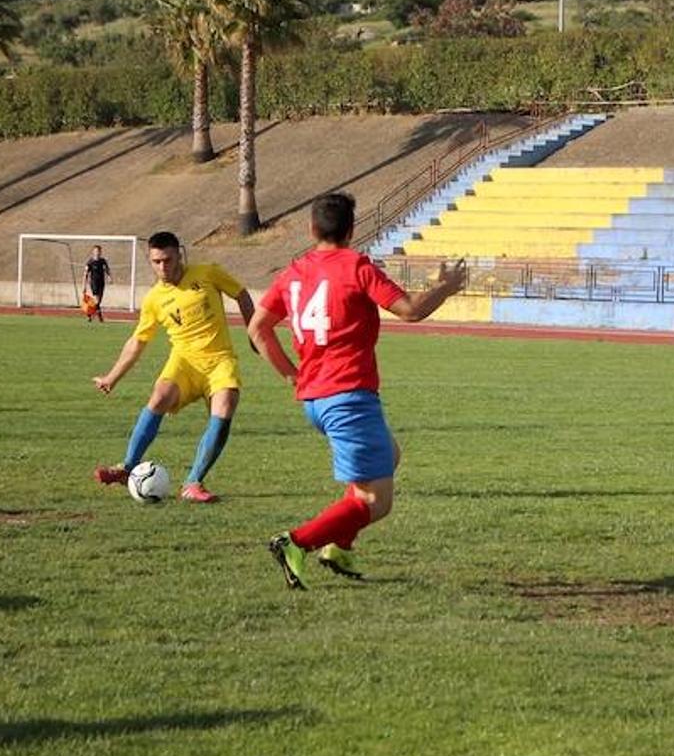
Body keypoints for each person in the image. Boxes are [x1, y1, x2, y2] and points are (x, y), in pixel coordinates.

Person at [247, 193, 467, 590]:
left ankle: (339, 546)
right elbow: (411, 310)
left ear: (312, 229)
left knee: (391, 455)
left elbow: (257, 329)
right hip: (348, 397)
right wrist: (446, 287)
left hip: (317, 399)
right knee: (374, 502)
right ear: (351, 230)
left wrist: (291, 376)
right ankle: (296, 542)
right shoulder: (357, 267)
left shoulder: (294, 272)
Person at [91, 231, 255, 503]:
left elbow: (242, 294)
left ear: (179, 254)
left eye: (167, 260)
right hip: (184, 362)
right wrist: (112, 377)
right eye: (156, 262)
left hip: (219, 360)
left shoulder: (208, 273)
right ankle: (127, 467)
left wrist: (254, 331)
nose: (162, 268)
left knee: (225, 405)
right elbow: (137, 342)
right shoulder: (154, 299)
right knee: (159, 396)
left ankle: (193, 483)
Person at [82, 245, 111, 323]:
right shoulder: (90, 262)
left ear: (100, 252)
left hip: (101, 283)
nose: (97, 253)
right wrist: (84, 285)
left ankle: (89, 314)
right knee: (97, 300)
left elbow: (107, 270)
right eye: (95, 251)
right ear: (93, 252)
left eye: (98, 251)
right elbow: (85, 274)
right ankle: (100, 317)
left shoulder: (103, 261)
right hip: (94, 283)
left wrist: (109, 277)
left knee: (98, 301)